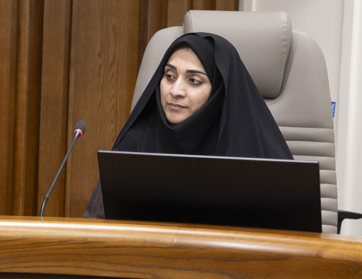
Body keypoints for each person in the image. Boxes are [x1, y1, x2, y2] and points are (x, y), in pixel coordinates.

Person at [84, 32, 293, 218]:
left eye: (194, 81)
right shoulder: (134, 144)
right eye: (169, 76)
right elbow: (96, 224)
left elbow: (291, 235)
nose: (175, 91)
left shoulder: (257, 154)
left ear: (219, 90)